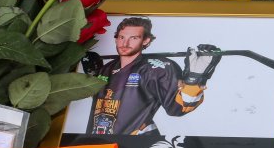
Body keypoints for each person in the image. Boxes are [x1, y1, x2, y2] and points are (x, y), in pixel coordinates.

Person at [87, 17, 222, 136]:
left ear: (146, 40)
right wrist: (89, 75)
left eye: (134, 38)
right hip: (98, 146)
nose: (125, 43)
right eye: (122, 37)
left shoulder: (156, 68)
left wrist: (195, 78)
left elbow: (179, 107)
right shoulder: (106, 69)